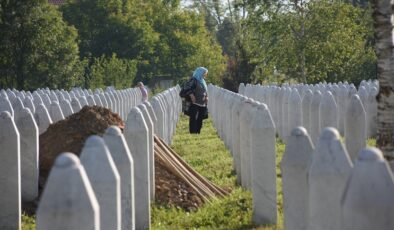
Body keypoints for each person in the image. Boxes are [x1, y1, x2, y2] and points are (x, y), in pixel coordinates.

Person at [183, 67, 209, 134]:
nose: (205, 75)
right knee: (193, 118)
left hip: (202, 103)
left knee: (200, 118)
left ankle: (198, 132)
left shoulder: (203, 81)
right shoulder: (193, 80)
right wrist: (192, 96)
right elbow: (187, 88)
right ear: (199, 73)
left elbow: (205, 91)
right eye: (204, 73)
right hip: (194, 103)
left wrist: (206, 97)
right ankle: (193, 132)